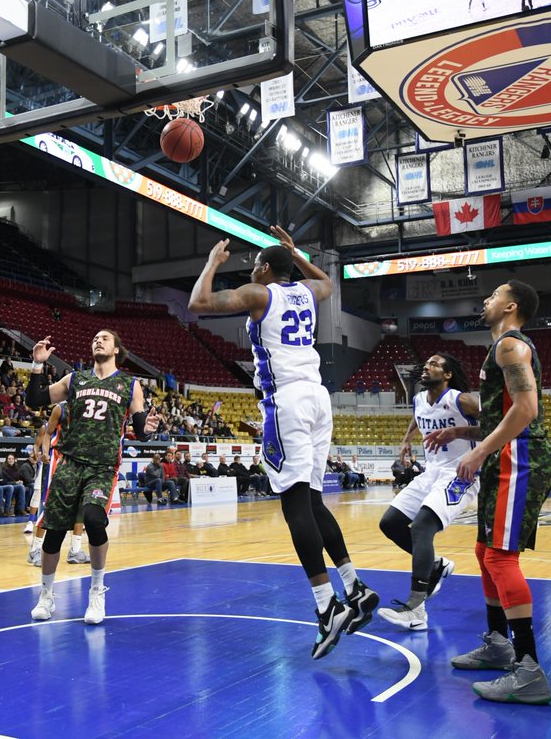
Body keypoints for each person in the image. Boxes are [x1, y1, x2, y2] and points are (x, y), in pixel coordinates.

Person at [188, 226, 379, 660]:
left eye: (256, 263)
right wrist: (299, 255)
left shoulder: (260, 294)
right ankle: (355, 587)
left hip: (287, 401)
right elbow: (329, 283)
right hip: (318, 397)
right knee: (312, 502)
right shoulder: (309, 291)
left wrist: (213, 264)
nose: (252, 269)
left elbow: (199, 303)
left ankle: (326, 606)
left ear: (266, 268)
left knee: (295, 505)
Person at [448, 280, 551, 705]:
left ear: (510, 306)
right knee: (482, 550)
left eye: (493, 295)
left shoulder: (511, 346)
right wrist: (466, 430)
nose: (485, 300)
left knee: (499, 556)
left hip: (520, 458)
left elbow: (526, 411)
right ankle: (497, 643)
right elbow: (506, 411)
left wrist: (477, 451)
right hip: (507, 455)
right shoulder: (502, 347)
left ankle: (529, 671)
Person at [24, 329, 159, 624]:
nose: (98, 340)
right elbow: (34, 399)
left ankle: (97, 591)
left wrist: (148, 429)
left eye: (105, 338)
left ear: (116, 349)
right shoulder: (75, 379)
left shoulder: (129, 384)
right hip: (68, 463)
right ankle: (46, 595)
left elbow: (141, 429)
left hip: (102, 465)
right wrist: (37, 365)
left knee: (95, 519)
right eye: (95, 338)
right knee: (55, 532)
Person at [377, 354, 479, 631]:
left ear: (447, 375)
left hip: (460, 474)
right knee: (390, 523)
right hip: (431, 472)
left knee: (422, 527)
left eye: (434, 364)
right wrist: (407, 438)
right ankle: (436, 565)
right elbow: (418, 417)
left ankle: (416, 609)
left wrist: (457, 431)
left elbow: (499, 426)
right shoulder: (420, 399)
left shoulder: (462, 400)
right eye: (426, 364)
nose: (427, 367)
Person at [27, 402, 89, 566]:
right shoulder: (60, 410)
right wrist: (43, 453)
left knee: (79, 508)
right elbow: (46, 435)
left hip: (78, 462)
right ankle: (35, 549)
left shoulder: (89, 409)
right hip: (58, 461)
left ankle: (75, 550)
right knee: (49, 506)